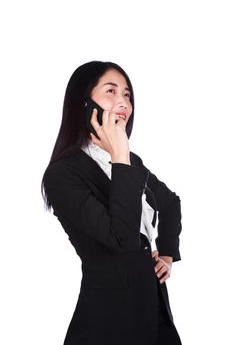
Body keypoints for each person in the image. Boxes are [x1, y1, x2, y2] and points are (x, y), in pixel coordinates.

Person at [41, 61, 183, 345]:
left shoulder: (130, 163)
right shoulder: (63, 174)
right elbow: (122, 238)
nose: (123, 102)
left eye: (127, 95)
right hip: (108, 323)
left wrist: (167, 254)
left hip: (154, 315)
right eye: (111, 91)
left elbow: (170, 203)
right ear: (84, 103)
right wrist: (120, 156)